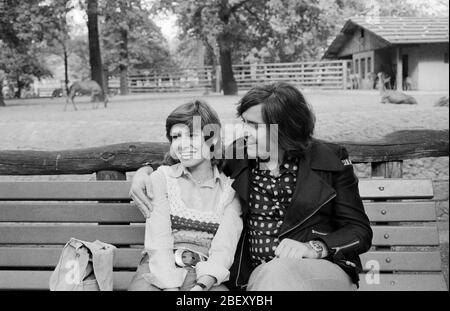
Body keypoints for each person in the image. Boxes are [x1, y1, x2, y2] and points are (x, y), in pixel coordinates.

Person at [130, 82, 373, 291]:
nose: (245, 132)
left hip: (320, 270)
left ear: (285, 128)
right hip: (256, 276)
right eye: (244, 123)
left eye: (255, 125)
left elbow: (359, 230)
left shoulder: (328, 159)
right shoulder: (240, 155)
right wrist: (146, 170)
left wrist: (316, 248)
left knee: (278, 273)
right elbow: (197, 156)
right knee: (270, 276)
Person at [128, 100, 243, 291]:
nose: (182, 144)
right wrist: (170, 287)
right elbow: (159, 242)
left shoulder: (230, 190)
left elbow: (224, 249)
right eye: (176, 137)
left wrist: (201, 285)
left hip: (203, 274)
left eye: (192, 135)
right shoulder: (161, 179)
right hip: (157, 270)